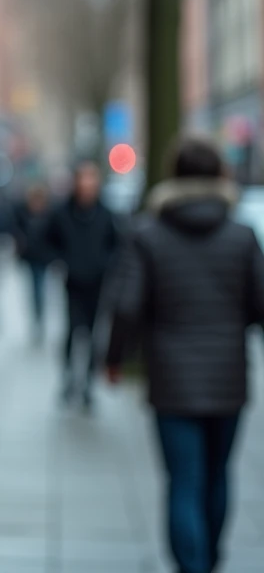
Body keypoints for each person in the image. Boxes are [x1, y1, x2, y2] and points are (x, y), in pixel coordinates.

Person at [104, 137, 264, 573]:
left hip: (172, 380)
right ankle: (210, 560)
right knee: (218, 474)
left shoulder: (147, 234)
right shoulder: (242, 236)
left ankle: (189, 566)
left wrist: (114, 357)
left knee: (183, 480)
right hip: (229, 377)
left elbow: (127, 305)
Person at [46, 161, 120, 410]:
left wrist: (106, 264)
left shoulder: (106, 214)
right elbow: (45, 239)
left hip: (98, 284)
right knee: (72, 331)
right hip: (73, 283)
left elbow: (117, 245)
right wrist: (61, 260)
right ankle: (68, 379)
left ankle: (88, 383)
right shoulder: (62, 213)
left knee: (93, 334)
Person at [14, 183, 56, 345]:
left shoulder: (49, 214)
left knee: (40, 287)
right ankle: (37, 316)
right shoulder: (23, 212)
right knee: (35, 287)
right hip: (31, 257)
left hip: (43, 257)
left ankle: (40, 316)